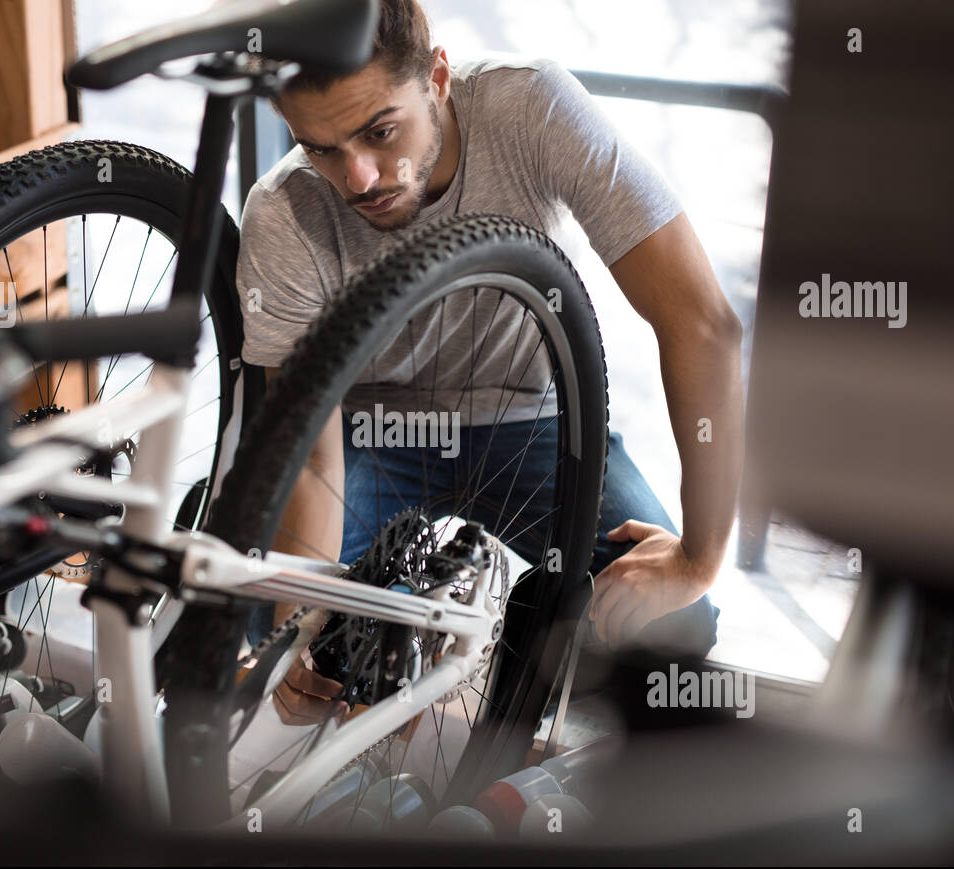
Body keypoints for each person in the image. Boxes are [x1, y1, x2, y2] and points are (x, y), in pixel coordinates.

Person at [235, 0, 743, 725]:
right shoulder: (284, 211)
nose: (358, 178)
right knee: (299, 647)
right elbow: (310, 458)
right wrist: (294, 630)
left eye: (381, 130)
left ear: (437, 77)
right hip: (373, 439)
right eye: (319, 147)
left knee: (671, 633)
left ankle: (520, 660)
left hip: (532, 421)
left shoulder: (529, 105)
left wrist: (700, 555)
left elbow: (702, 321)